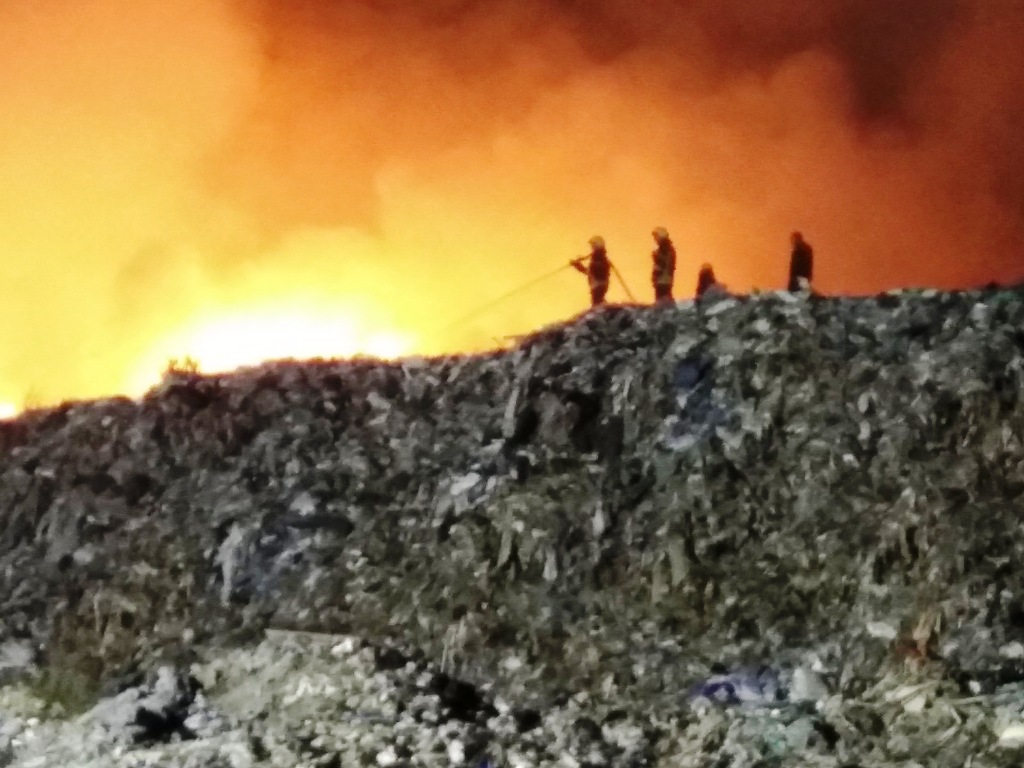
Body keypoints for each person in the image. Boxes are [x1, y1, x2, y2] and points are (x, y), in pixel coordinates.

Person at [571, 236, 611, 307]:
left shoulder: (598, 257)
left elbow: (590, 272)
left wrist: (577, 265)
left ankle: (606, 311)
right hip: (598, 285)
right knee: (598, 302)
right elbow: (590, 272)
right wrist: (577, 265)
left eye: (593, 245)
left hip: (598, 285)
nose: (592, 247)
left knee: (596, 303)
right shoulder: (598, 256)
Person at [651, 227, 676, 302]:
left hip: (663, 282)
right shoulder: (667, 249)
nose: (655, 239)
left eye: (656, 237)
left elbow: (664, 265)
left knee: (663, 302)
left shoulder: (665, 249)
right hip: (663, 282)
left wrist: (656, 258)